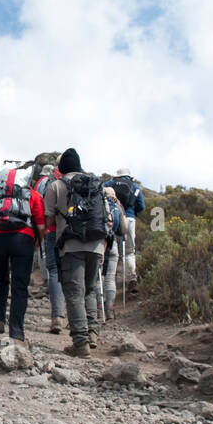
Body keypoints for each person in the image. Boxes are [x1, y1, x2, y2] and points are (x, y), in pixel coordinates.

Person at [45, 149, 105, 357]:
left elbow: (49, 219)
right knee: (90, 289)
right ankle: (93, 334)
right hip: (97, 243)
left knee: (73, 292)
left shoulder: (57, 185)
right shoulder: (95, 184)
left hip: (71, 244)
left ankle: (80, 343)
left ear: (61, 168)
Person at [0, 165, 45, 341]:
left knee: (1, 279)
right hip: (23, 240)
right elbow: (41, 225)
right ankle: (17, 331)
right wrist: (36, 242)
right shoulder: (32, 195)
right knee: (20, 285)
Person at [33, 164, 64, 333]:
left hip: (51, 230)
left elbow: (40, 204)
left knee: (53, 269)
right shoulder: (77, 181)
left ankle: (57, 316)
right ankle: (80, 323)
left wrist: (41, 230)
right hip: (74, 233)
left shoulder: (44, 183)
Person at [105, 168, 146, 286]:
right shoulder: (135, 187)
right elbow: (141, 206)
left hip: (114, 219)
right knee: (129, 252)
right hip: (129, 219)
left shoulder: (109, 184)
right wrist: (133, 212)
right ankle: (131, 278)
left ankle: (110, 281)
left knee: (112, 251)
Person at [101, 186, 127, 321]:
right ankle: (110, 308)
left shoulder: (98, 204)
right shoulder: (118, 206)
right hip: (113, 244)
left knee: (96, 276)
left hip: (99, 244)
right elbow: (123, 229)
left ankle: (97, 308)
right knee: (110, 277)